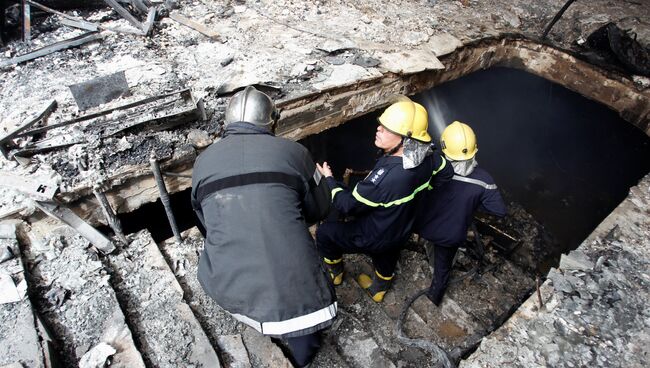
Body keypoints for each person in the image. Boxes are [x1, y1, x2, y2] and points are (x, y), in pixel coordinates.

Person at [191, 86, 336, 367]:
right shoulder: (295, 153)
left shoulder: (203, 161)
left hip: (225, 281)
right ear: (273, 121)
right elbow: (320, 209)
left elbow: (206, 220)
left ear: (227, 124)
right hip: (292, 289)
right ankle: (301, 358)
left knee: (253, 297)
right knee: (304, 322)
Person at [315, 97, 453, 302]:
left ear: (405, 139)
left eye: (387, 129)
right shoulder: (430, 156)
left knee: (325, 233)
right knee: (388, 254)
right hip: (401, 228)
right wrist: (423, 194)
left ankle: (335, 273)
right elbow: (446, 172)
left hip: (374, 234)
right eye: (381, 125)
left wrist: (329, 180)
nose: (378, 129)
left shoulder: (385, 179)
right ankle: (379, 289)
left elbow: (347, 206)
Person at [414, 121, 507, 306]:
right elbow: (499, 210)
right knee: (442, 271)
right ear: (475, 149)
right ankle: (433, 301)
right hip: (450, 236)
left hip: (423, 226)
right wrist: (470, 204)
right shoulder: (484, 181)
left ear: (444, 146)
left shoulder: (432, 166)